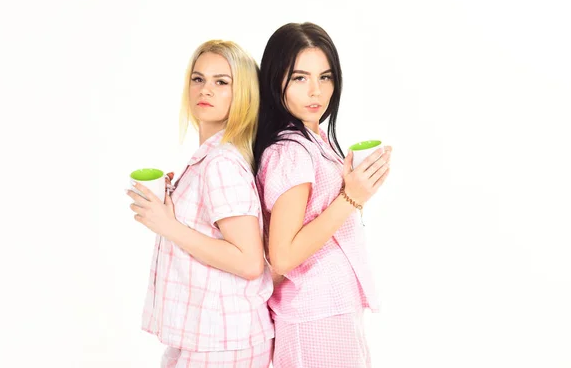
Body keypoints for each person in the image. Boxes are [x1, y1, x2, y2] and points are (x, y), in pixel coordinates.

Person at [127, 40, 274, 367]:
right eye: (198, 79)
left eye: (221, 82)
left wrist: (168, 226)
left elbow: (249, 261)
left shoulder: (221, 163)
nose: (205, 89)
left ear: (244, 93)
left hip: (223, 340)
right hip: (205, 335)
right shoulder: (211, 158)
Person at [253, 22, 392, 367]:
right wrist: (350, 198)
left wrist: (353, 189)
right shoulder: (292, 151)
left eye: (325, 77)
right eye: (300, 78)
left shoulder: (313, 140)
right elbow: (282, 256)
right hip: (314, 313)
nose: (316, 91)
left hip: (329, 308)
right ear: (275, 81)